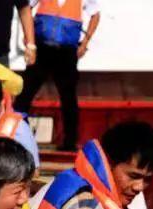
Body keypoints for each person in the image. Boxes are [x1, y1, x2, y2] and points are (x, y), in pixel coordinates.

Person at [13, 1, 101, 152]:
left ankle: (69, 143)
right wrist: (29, 39)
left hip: (66, 52)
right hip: (41, 49)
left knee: (69, 99)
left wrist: (85, 42)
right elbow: (26, 8)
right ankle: (15, 136)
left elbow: (95, 15)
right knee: (25, 95)